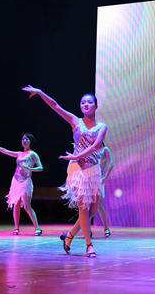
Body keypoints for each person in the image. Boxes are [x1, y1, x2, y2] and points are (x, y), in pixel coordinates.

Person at [22, 86, 107, 257]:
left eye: (90, 102)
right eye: (83, 102)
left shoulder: (102, 127)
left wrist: (75, 156)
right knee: (83, 207)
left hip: (93, 170)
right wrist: (40, 92)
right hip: (77, 169)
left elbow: (96, 146)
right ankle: (89, 245)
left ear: (96, 106)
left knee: (92, 210)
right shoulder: (75, 121)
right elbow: (55, 106)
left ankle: (69, 236)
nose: (86, 104)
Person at [0, 134, 43, 235]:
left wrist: (29, 168)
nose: (24, 140)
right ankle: (16, 228)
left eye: (27, 139)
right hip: (16, 181)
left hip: (26, 181)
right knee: (16, 205)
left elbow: (40, 168)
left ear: (30, 141)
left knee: (26, 206)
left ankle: (37, 228)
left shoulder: (33, 154)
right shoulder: (19, 154)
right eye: (23, 139)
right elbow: (5, 151)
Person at [61, 142, 114, 240]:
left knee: (98, 205)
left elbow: (111, 164)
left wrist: (105, 177)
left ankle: (106, 228)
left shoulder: (105, 149)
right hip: (89, 178)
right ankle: (86, 231)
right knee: (87, 206)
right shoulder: (90, 149)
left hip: (99, 179)